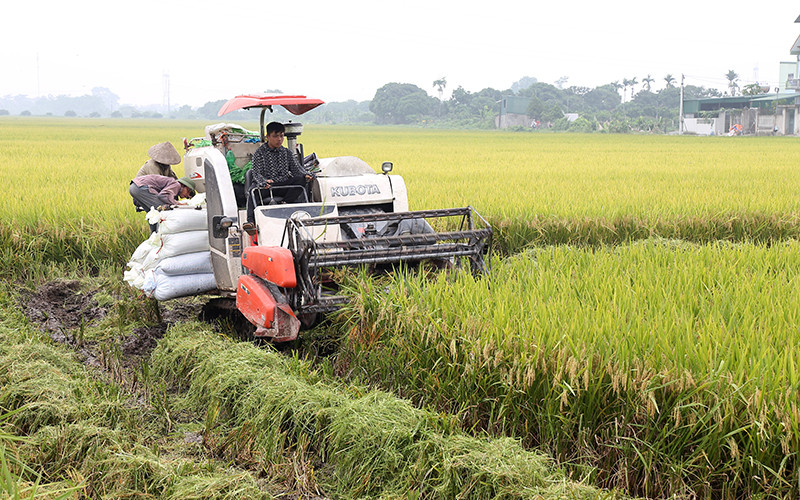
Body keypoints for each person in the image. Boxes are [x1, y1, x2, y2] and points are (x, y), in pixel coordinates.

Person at [245, 121, 314, 225]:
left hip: (283, 185)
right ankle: (251, 222)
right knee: (253, 191)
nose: (279, 139)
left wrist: (307, 175)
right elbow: (256, 173)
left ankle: (285, 203)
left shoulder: (287, 153)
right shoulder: (259, 153)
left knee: (301, 179)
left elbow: (297, 170)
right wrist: (263, 182)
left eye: (281, 136)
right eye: (275, 136)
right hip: (266, 186)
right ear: (268, 136)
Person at [129, 175, 196, 231]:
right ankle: (159, 236)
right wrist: (178, 204)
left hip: (134, 187)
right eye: (188, 192)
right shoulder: (176, 184)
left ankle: (154, 235)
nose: (187, 195)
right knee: (162, 210)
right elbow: (163, 196)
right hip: (141, 187)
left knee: (152, 213)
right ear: (183, 185)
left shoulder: (172, 184)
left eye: (188, 197)